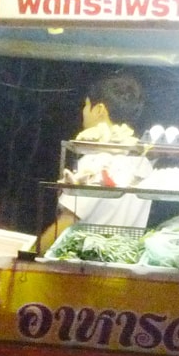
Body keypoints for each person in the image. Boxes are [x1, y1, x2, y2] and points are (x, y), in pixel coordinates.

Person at [38, 73, 152, 252]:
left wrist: (31, 253)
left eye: (86, 106)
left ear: (99, 110)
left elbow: (66, 223)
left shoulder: (96, 160)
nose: (83, 113)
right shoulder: (143, 162)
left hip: (84, 266)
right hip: (124, 263)